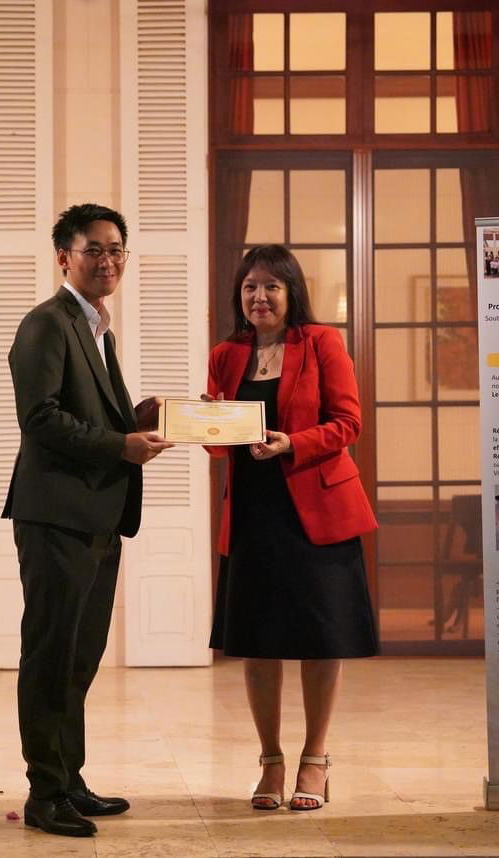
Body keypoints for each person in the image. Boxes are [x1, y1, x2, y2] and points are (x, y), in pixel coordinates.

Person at [3, 203, 173, 838]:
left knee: (79, 658)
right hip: (56, 518)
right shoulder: (46, 324)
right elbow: (41, 419)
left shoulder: (96, 328)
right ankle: (44, 793)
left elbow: (96, 417)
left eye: (117, 250)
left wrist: (149, 415)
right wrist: (121, 447)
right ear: (64, 257)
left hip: (96, 516)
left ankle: (69, 780)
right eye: (94, 249)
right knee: (50, 656)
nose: (108, 261)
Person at [205, 245, 378, 813]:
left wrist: (291, 444)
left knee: (319, 638)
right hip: (254, 514)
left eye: (271, 287)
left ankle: (316, 758)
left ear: (291, 293)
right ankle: (271, 762)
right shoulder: (226, 354)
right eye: (250, 286)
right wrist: (203, 420)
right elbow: (215, 440)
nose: (259, 297)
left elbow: (347, 422)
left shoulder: (322, 343)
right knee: (257, 640)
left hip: (316, 512)